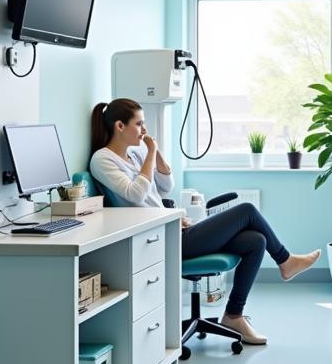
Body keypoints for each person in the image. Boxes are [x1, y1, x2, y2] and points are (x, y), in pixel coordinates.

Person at [89, 98, 319, 346]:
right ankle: (285, 260)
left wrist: (154, 153)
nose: (144, 130)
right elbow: (136, 194)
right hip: (160, 240)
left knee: (256, 241)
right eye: (139, 124)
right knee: (247, 210)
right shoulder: (102, 159)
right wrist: (151, 153)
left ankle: (233, 315)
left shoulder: (134, 154)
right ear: (120, 126)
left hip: (172, 228)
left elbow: (166, 187)